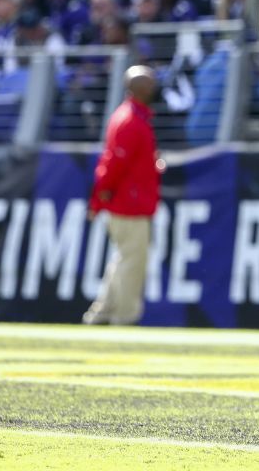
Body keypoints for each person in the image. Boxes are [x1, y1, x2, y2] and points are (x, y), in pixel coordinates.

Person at [82, 66, 163, 326]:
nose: (153, 88)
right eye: (148, 84)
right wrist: (98, 200)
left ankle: (102, 311)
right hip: (129, 204)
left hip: (130, 201)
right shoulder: (130, 120)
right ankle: (125, 315)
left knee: (124, 258)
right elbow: (113, 165)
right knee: (132, 261)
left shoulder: (131, 117)